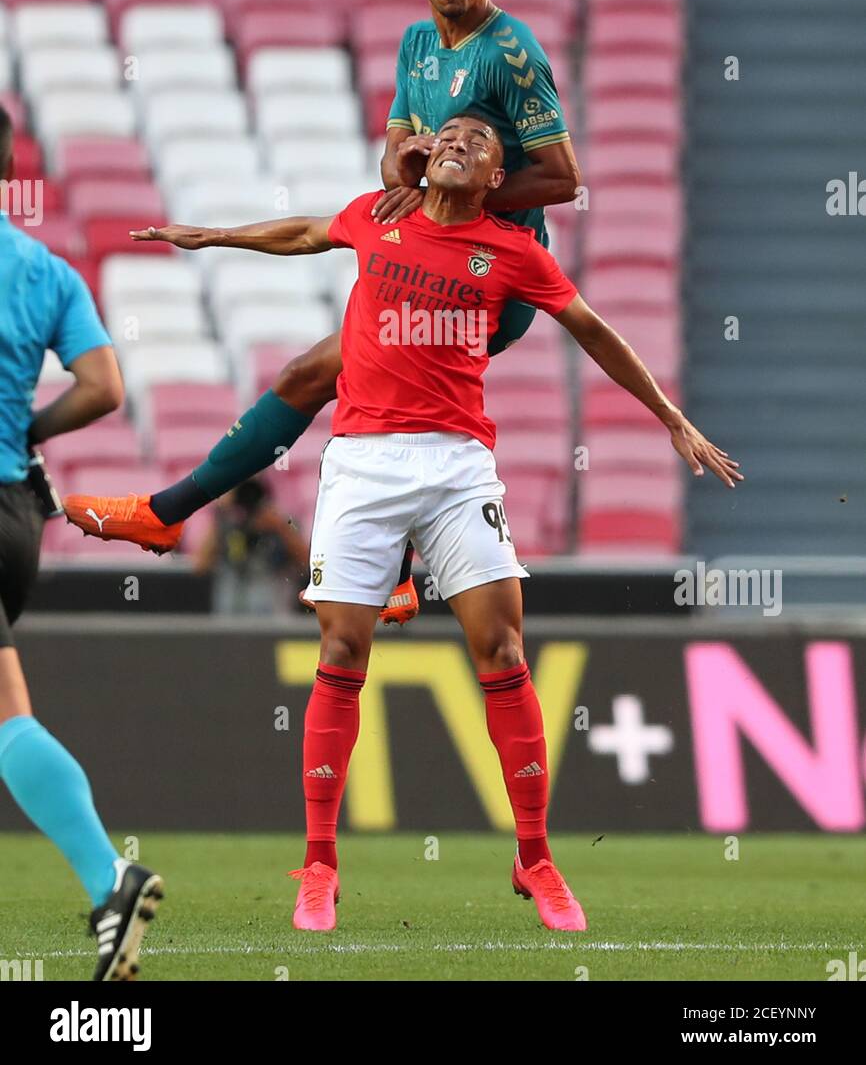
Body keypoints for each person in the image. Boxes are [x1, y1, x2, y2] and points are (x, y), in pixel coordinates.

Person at [125, 113, 742, 933]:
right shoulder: (379, 214)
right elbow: (303, 233)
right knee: (342, 649)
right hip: (363, 463)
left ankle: (535, 858)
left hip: (456, 467)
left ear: (497, 180)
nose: (458, 142)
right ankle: (319, 865)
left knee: (504, 649)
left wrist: (668, 416)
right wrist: (210, 236)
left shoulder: (516, 251)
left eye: (479, 142)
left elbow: (592, 330)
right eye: (449, 133)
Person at [63, 0, 581, 625]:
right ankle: (188, 518)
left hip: (491, 276)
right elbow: (395, 149)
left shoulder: (511, 53)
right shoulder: (415, 47)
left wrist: (450, 187)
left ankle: (174, 513)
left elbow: (561, 176)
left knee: (350, 384)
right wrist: (404, 167)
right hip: (432, 256)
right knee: (314, 376)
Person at [0, 107, 163, 980]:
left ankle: (110, 876)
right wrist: (22, 429)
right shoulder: (44, 270)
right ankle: (109, 883)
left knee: (5, 718)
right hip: (16, 515)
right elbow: (101, 388)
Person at [195, 478, 309, 616]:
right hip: (229, 618)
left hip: (274, 618)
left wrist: (281, 528)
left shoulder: (283, 521)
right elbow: (200, 565)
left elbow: (306, 563)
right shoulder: (227, 521)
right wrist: (221, 514)